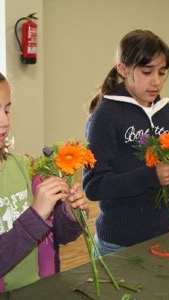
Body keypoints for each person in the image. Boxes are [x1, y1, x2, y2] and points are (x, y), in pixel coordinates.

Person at [83, 29, 169, 256]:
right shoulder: (106, 115)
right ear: (123, 68)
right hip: (119, 243)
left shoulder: (168, 113)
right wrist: (151, 176)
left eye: (162, 73)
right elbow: (94, 186)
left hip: (163, 234)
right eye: (146, 71)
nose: (156, 81)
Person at [0, 72, 88, 292]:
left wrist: (69, 211)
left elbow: (62, 235)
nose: (5, 121)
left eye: (7, 110)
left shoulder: (25, 168)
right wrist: (36, 215)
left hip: (40, 290)